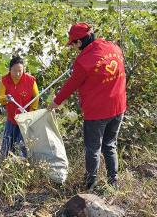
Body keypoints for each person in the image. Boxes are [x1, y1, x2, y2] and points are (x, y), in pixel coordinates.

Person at [49, 22, 126, 190]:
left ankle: (90, 184)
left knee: (93, 149)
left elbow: (70, 85)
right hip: (119, 107)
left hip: (97, 112)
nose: (74, 48)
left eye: (73, 44)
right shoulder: (114, 48)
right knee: (110, 144)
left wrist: (54, 103)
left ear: (79, 42)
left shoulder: (83, 61)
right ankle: (114, 183)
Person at [0, 56, 39, 157]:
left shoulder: (30, 80)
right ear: (10, 69)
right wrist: (6, 98)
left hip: (24, 119)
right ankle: (4, 163)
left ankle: (22, 165)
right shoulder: (4, 80)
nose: (18, 73)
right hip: (12, 118)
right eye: (15, 71)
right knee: (7, 145)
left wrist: (31, 111)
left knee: (22, 146)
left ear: (23, 69)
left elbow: (36, 97)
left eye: (20, 70)